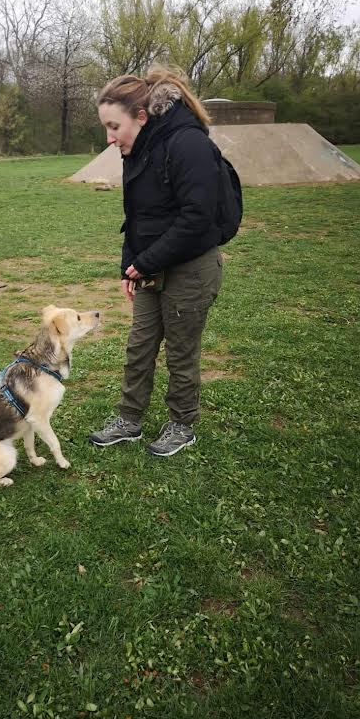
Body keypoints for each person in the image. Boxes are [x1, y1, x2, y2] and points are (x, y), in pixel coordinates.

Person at [88, 65, 224, 457]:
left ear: (142, 117)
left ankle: (182, 424)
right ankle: (129, 419)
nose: (110, 138)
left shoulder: (187, 143)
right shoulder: (138, 147)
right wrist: (129, 265)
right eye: (106, 128)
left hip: (192, 268)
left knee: (181, 353)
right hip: (151, 264)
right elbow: (137, 216)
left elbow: (198, 219)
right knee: (140, 345)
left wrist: (144, 262)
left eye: (114, 127)